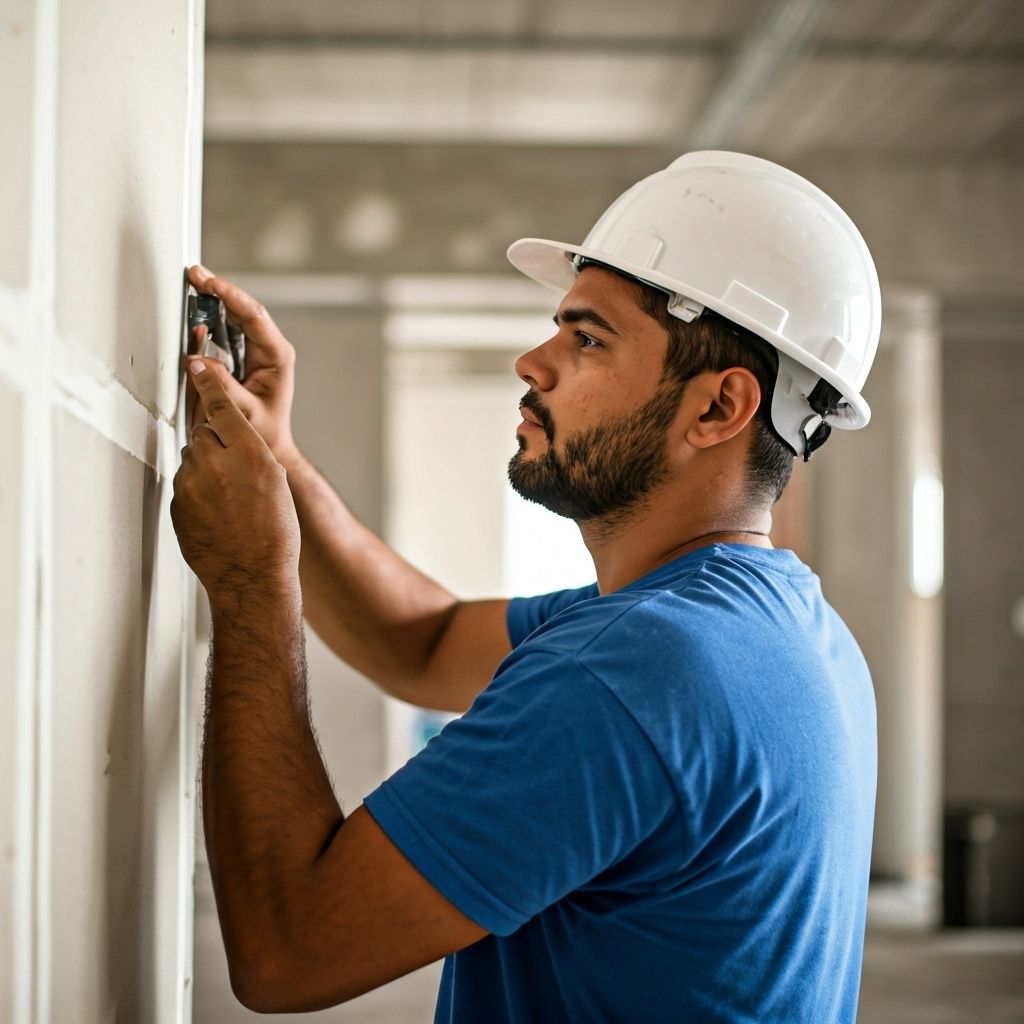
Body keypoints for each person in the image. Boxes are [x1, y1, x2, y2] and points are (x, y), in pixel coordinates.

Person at [172, 151, 880, 1022]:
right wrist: (277, 462)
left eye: (587, 339)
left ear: (717, 409)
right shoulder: (769, 628)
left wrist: (251, 584)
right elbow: (420, 641)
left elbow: (288, 951)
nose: (532, 362)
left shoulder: (633, 672)